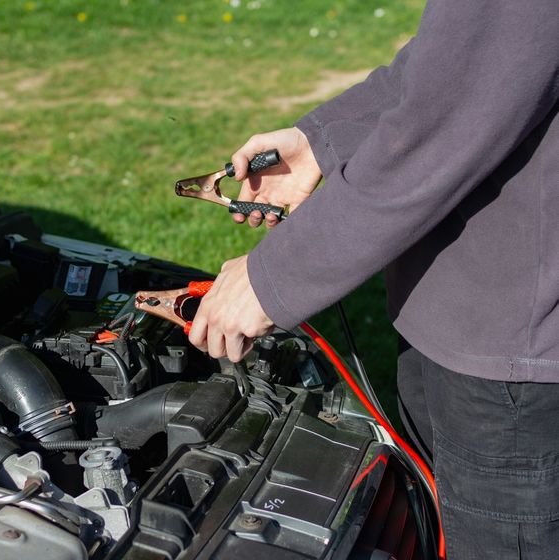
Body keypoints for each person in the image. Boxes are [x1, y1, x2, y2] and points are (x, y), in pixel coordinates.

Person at [187, 2, 559, 558]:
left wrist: (272, 278)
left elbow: (439, 134)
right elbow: (450, 65)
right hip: (453, 321)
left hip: (512, 362)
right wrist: (321, 139)